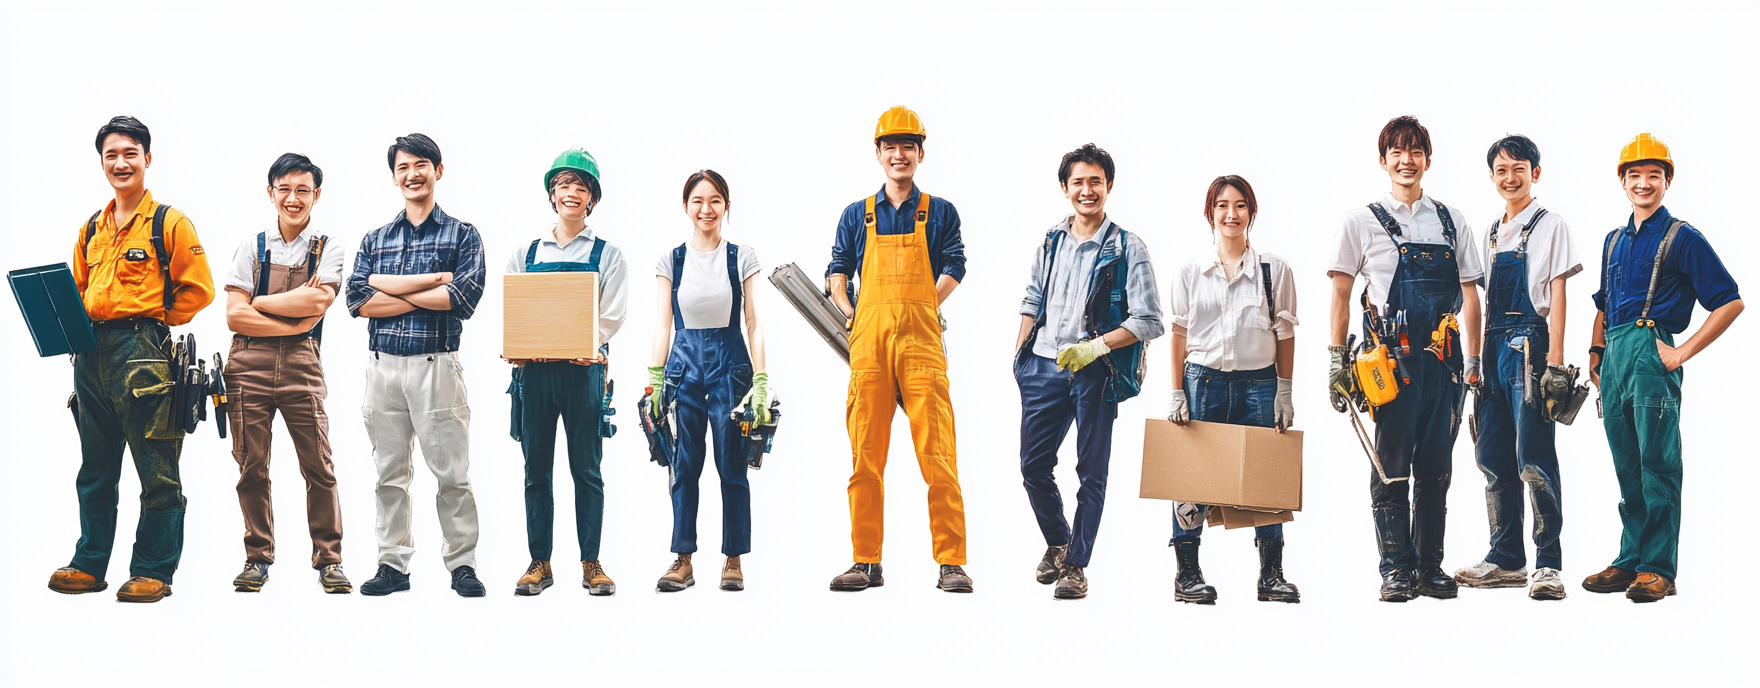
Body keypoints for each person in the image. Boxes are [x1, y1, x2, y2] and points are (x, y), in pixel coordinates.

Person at [48, 116, 215, 603]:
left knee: (157, 469)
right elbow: (77, 290)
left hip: (143, 355)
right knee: (95, 469)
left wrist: (154, 320)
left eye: (130, 153)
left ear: (147, 158)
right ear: (101, 163)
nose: (120, 163)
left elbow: (199, 290)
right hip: (90, 354)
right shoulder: (90, 229)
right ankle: (89, 563)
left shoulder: (169, 222)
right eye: (111, 155)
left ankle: (153, 570)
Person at [1326, 116, 1484, 602]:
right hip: (1388, 368)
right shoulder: (1361, 221)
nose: (1406, 160)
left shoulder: (1452, 221)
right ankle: (1395, 568)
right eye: (1397, 151)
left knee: (1436, 469)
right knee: (1391, 466)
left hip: (1444, 367)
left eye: (1415, 151)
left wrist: (1474, 362)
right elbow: (1340, 292)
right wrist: (1336, 359)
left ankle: (1429, 566)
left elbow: (1472, 298)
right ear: (1383, 160)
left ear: (1427, 160)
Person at [1582, 133, 1742, 602]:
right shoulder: (1613, 240)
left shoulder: (1683, 237)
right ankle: (1630, 559)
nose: (1644, 183)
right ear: (1623, 181)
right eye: (1635, 175)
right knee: (1627, 465)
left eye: (1654, 175)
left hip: (1652, 357)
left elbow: (1729, 301)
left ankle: (1658, 568)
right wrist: (1596, 353)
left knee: (1659, 465)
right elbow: (1603, 305)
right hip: (1614, 359)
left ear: (1667, 181)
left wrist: (1680, 352)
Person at [825, 106, 973, 593]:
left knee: (938, 453)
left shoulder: (940, 210)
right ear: (879, 154)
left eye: (908, 145)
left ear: (921, 153)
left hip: (921, 341)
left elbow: (955, 263)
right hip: (868, 342)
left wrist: (926, 303)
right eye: (891, 146)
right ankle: (865, 560)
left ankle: (951, 561)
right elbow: (837, 271)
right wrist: (850, 312)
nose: (899, 154)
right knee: (865, 454)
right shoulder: (857, 214)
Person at [1014, 144, 1163, 600]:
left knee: (1090, 472)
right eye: (1078, 182)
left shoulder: (1126, 246)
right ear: (1064, 188)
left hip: (1094, 373)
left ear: (1109, 186)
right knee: (1033, 467)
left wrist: (1094, 348)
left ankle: (1076, 565)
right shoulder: (1050, 241)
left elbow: (1150, 320)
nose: (1087, 190)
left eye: (1095, 181)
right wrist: (1019, 357)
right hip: (1041, 365)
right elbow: (1031, 299)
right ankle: (1058, 542)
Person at [346, 133, 487, 598]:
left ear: (438, 170)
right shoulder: (376, 238)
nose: (413, 173)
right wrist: (430, 285)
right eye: (403, 167)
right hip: (382, 368)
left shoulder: (463, 234)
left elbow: (461, 298)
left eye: (422, 164)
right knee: (389, 474)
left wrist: (391, 288)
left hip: (436, 367)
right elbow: (359, 301)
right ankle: (393, 565)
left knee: (452, 474)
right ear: (394, 177)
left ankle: (462, 564)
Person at [1452, 136, 1580, 601]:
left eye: (1519, 169)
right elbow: (1480, 303)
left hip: (1531, 347)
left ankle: (1548, 565)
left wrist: (1557, 363)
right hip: (1491, 350)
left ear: (1536, 173)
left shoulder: (1551, 225)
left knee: (1534, 458)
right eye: (1501, 170)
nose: (1510, 177)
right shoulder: (1490, 231)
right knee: (1492, 455)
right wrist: (1475, 359)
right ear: (1492, 176)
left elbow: (1560, 294)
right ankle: (1506, 558)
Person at [1164, 175, 1300, 604]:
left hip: (1258, 383)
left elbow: (1285, 335)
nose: (1231, 214)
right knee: (1191, 478)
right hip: (1202, 381)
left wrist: (1284, 391)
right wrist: (1176, 392)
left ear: (1251, 213)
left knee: (1266, 477)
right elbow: (1179, 336)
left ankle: (1271, 575)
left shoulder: (1273, 270)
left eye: (1240, 205)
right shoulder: (1190, 272)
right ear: (1210, 214)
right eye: (1222, 206)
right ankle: (1187, 573)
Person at [221, 153, 351, 594]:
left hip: (301, 365)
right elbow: (234, 317)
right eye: (284, 189)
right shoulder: (250, 246)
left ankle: (329, 560)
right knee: (251, 467)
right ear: (271, 192)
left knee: (319, 466)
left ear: (316, 194)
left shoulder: (328, 247)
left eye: (302, 190)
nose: (293, 199)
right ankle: (257, 558)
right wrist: (291, 316)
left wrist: (258, 301)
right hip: (247, 367)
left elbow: (317, 306)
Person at [505, 148, 628, 597]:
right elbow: (516, 309)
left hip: (583, 374)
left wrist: (588, 344)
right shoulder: (525, 253)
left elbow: (612, 314)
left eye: (581, 186)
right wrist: (519, 348)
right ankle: (540, 562)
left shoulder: (608, 254)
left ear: (591, 200)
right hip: (534, 377)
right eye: (564, 185)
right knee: (536, 471)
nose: (571, 192)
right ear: (552, 195)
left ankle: (591, 562)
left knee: (586, 471)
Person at [646, 169, 768, 593]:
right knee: (683, 466)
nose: (706, 209)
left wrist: (762, 380)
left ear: (726, 206)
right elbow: (663, 326)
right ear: (686, 207)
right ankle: (683, 559)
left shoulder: (741, 257)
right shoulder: (671, 260)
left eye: (715, 200)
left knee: (732, 465)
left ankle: (733, 558)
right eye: (698, 200)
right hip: (682, 369)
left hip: (731, 368)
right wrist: (655, 380)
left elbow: (753, 322)